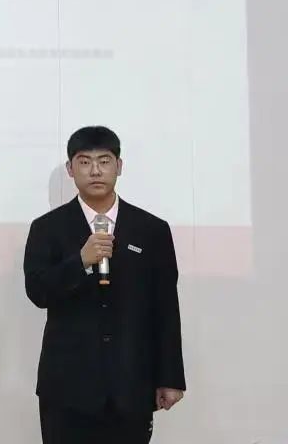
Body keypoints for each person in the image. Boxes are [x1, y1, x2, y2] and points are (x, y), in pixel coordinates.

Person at [24, 126, 186, 443]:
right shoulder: (47, 228)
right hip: (67, 388)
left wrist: (170, 377)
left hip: (132, 383)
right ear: (70, 169)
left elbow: (166, 307)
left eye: (104, 161)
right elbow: (38, 292)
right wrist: (80, 261)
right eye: (85, 162)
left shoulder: (151, 229)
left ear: (119, 166)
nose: (95, 171)